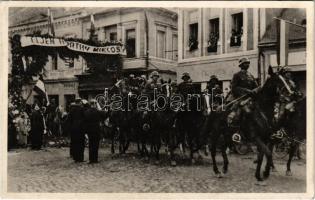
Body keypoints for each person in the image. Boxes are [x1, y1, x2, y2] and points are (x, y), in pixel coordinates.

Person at [83, 99, 107, 164]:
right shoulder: (98, 112)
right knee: (96, 145)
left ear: (90, 104)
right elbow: (105, 115)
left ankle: (91, 159)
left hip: (89, 130)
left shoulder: (86, 112)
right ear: (95, 104)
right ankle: (95, 159)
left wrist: (85, 131)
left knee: (91, 144)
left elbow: (84, 122)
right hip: (96, 130)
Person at [68, 98, 85, 162]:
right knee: (81, 143)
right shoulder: (82, 109)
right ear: (79, 102)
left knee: (74, 143)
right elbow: (84, 118)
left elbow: (69, 119)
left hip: (73, 129)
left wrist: (70, 128)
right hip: (80, 129)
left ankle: (75, 158)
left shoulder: (71, 110)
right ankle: (80, 158)